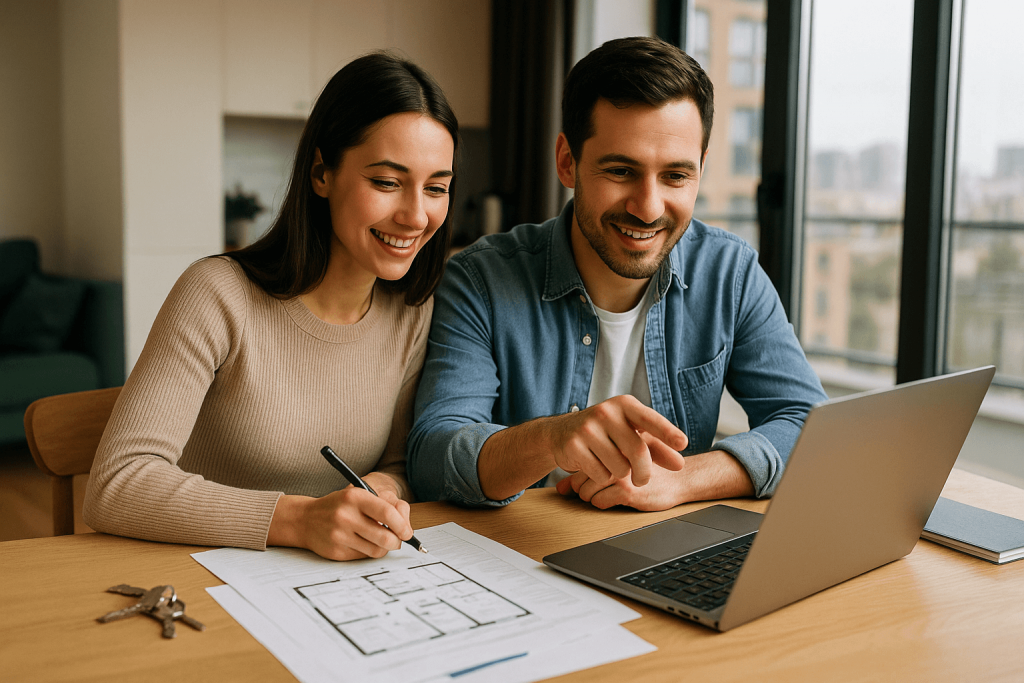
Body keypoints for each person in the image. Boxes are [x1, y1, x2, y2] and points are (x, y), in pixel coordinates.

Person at [407, 36, 827, 512]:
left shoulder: (730, 272)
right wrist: (552, 439)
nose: (648, 208)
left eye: (675, 176)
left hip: (667, 542)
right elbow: (432, 458)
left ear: (701, 170)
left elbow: (810, 425)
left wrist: (684, 480)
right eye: (621, 171)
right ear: (567, 162)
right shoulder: (479, 280)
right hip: (523, 547)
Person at [84, 52, 458, 560]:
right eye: (387, 182)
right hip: (198, 573)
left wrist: (381, 491)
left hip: (330, 582)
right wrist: (300, 520)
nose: (416, 216)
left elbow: (398, 465)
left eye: (436, 188)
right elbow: (117, 484)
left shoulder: (411, 312)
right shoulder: (217, 294)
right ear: (322, 173)